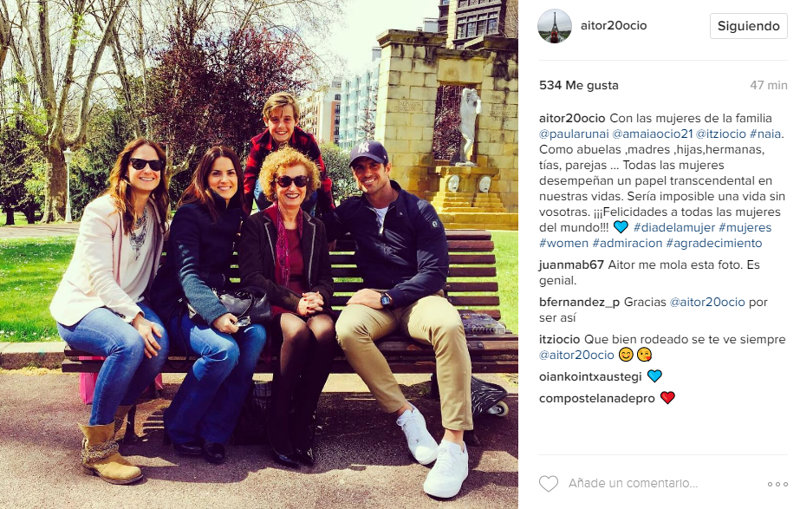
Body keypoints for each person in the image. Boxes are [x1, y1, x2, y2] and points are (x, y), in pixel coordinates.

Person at [333, 140, 473, 499]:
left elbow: (435, 272)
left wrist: (388, 296)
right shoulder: (351, 210)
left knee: (448, 325)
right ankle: (405, 413)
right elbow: (312, 229)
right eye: (360, 168)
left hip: (418, 300)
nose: (367, 173)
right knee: (347, 329)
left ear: (387, 168)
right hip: (376, 303)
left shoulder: (419, 210)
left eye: (373, 166)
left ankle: (454, 443)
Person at [50, 138, 170, 484]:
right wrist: (136, 319)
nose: (147, 170)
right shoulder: (101, 211)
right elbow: (100, 278)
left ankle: (110, 424)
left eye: (155, 165)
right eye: (139, 163)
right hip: (85, 306)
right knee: (128, 344)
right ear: (125, 168)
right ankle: (97, 450)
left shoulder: (155, 211)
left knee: (159, 343)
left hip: (129, 303)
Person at [151, 146, 267, 465]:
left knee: (255, 336)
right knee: (223, 351)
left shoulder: (236, 214)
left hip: (216, 298)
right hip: (179, 304)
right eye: (216, 173)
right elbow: (187, 274)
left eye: (230, 173)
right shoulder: (189, 214)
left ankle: (216, 432)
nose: (224, 179)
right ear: (204, 178)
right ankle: (178, 425)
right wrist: (216, 315)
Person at [239, 146, 336, 468]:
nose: (293, 187)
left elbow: (325, 277)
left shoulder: (315, 227)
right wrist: (296, 303)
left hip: (307, 300)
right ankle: (278, 422)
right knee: (297, 333)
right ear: (273, 184)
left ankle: (302, 420)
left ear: (309, 185)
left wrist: (318, 296)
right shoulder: (257, 225)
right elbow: (252, 277)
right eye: (285, 181)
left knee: (326, 332)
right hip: (274, 302)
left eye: (300, 181)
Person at [242, 91, 335, 216]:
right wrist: (243, 216)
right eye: (275, 120)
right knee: (261, 187)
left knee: (311, 182)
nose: (281, 126)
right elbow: (248, 182)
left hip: (301, 202)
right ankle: (267, 221)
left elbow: (322, 178)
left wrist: (330, 213)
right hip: (270, 200)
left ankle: (305, 221)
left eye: (287, 119)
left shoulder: (306, 141)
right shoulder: (259, 144)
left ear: (296, 120)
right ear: (266, 121)